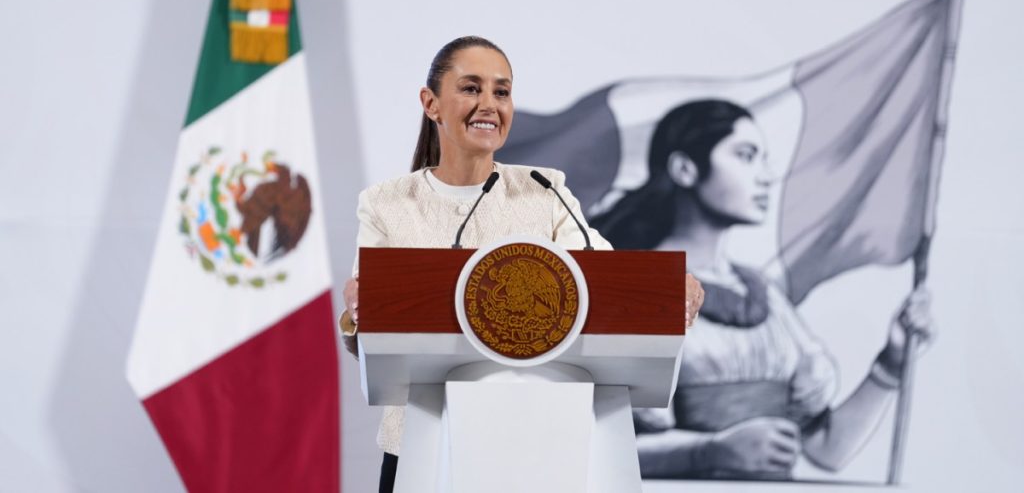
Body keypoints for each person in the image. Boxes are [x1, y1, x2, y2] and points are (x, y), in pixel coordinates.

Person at [338, 36, 706, 493]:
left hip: (541, 450)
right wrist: (358, 312)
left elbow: (608, 278)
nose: (489, 105)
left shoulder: (544, 192)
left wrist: (668, 290)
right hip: (420, 448)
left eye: (502, 91)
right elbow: (370, 329)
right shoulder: (386, 204)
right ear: (430, 103)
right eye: (471, 88)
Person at [590, 99, 934, 480]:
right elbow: (600, 448)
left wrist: (891, 362)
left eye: (764, 159)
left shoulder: (763, 294)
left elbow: (826, 449)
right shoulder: (633, 288)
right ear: (685, 169)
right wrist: (709, 451)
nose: (767, 176)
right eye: (746, 156)